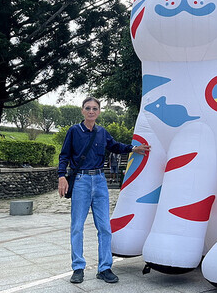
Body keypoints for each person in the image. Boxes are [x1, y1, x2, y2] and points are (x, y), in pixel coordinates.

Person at [58, 97, 150, 284]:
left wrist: (134, 148)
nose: (91, 111)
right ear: (82, 111)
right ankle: (78, 268)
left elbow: (115, 146)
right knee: (77, 226)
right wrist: (61, 176)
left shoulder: (102, 132)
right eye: (88, 108)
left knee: (105, 227)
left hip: (100, 181)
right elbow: (64, 155)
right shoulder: (74, 131)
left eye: (95, 108)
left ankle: (105, 268)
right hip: (81, 181)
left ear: (99, 112)